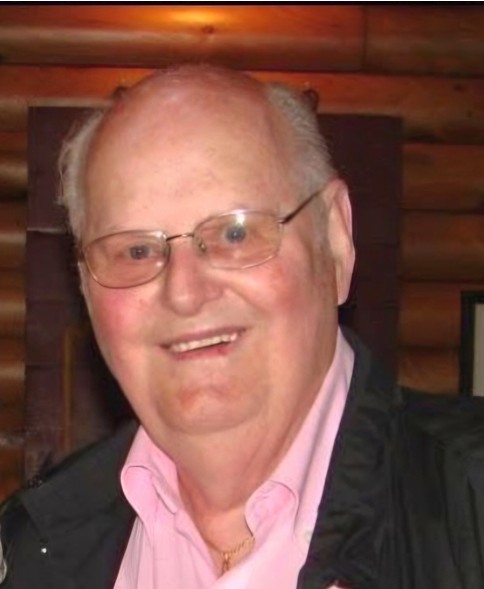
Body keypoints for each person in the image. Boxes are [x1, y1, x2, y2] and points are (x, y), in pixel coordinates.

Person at [1, 64, 484, 589]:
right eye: (135, 250)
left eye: (235, 233)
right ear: (85, 289)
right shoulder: (28, 550)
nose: (184, 292)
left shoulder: (470, 504)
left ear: (335, 240)